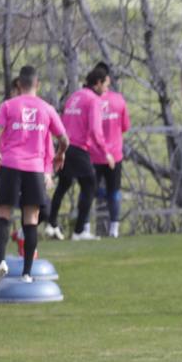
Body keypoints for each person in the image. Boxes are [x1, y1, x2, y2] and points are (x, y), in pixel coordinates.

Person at [0, 66, 67, 286]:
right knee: (31, 219)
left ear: (19, 85)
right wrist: (60, 154)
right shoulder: (47, 109)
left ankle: (0, 262)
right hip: (34, 168)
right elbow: (65, 139)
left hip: (11, 165)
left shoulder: (8, 106)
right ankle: (27, 274)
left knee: (3, 213)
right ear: (37, 84)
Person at [47, 65, 112, 241]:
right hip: (78, 147)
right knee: (90, 184)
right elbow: (94, 130)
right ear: (98, 83)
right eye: (106, 85)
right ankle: (79, 230)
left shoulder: (75, 96)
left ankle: (50, 223)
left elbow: (62, 122)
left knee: (63, 185)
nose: (107, 90)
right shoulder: (94, 100)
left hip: (66, 146)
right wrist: (106, 153)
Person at [91, 62, 130, 237]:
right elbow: (125, 126)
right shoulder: (119, 99)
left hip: (94, 153)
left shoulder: (91, 99)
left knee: (90, 190)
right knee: (113, 192)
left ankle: (85, 226)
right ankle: (114, 228)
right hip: (114, 154)